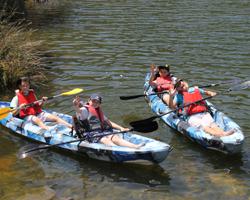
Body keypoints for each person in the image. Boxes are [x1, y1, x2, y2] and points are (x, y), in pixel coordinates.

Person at [73, 94, 144, 149]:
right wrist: (75, 105)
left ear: (99, 104)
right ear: (89, 100)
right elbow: (78, 110)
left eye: (97, 102)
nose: (95, 103)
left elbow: (108, 122)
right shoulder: (84, 110)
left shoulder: (98, 110)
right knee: (105, 140)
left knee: (115, 138)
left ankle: (135, 146)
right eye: (93, 101)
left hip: (101, 131)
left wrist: (121, 128)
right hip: (90, 133)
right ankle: (117, 149)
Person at [168, 79, 235, 137]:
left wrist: (211, 93)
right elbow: (171, 107)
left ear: (185, 82)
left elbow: (207, 92)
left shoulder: (194, 89)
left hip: (203, 113)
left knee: (213, 125)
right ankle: (220, 135)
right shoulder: (178, 96)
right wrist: (171, 96)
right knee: (205, 127)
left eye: (181, 82)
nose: (181, 84)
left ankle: (223, 133)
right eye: (178, 85)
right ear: (177, 89)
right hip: (191, 116)